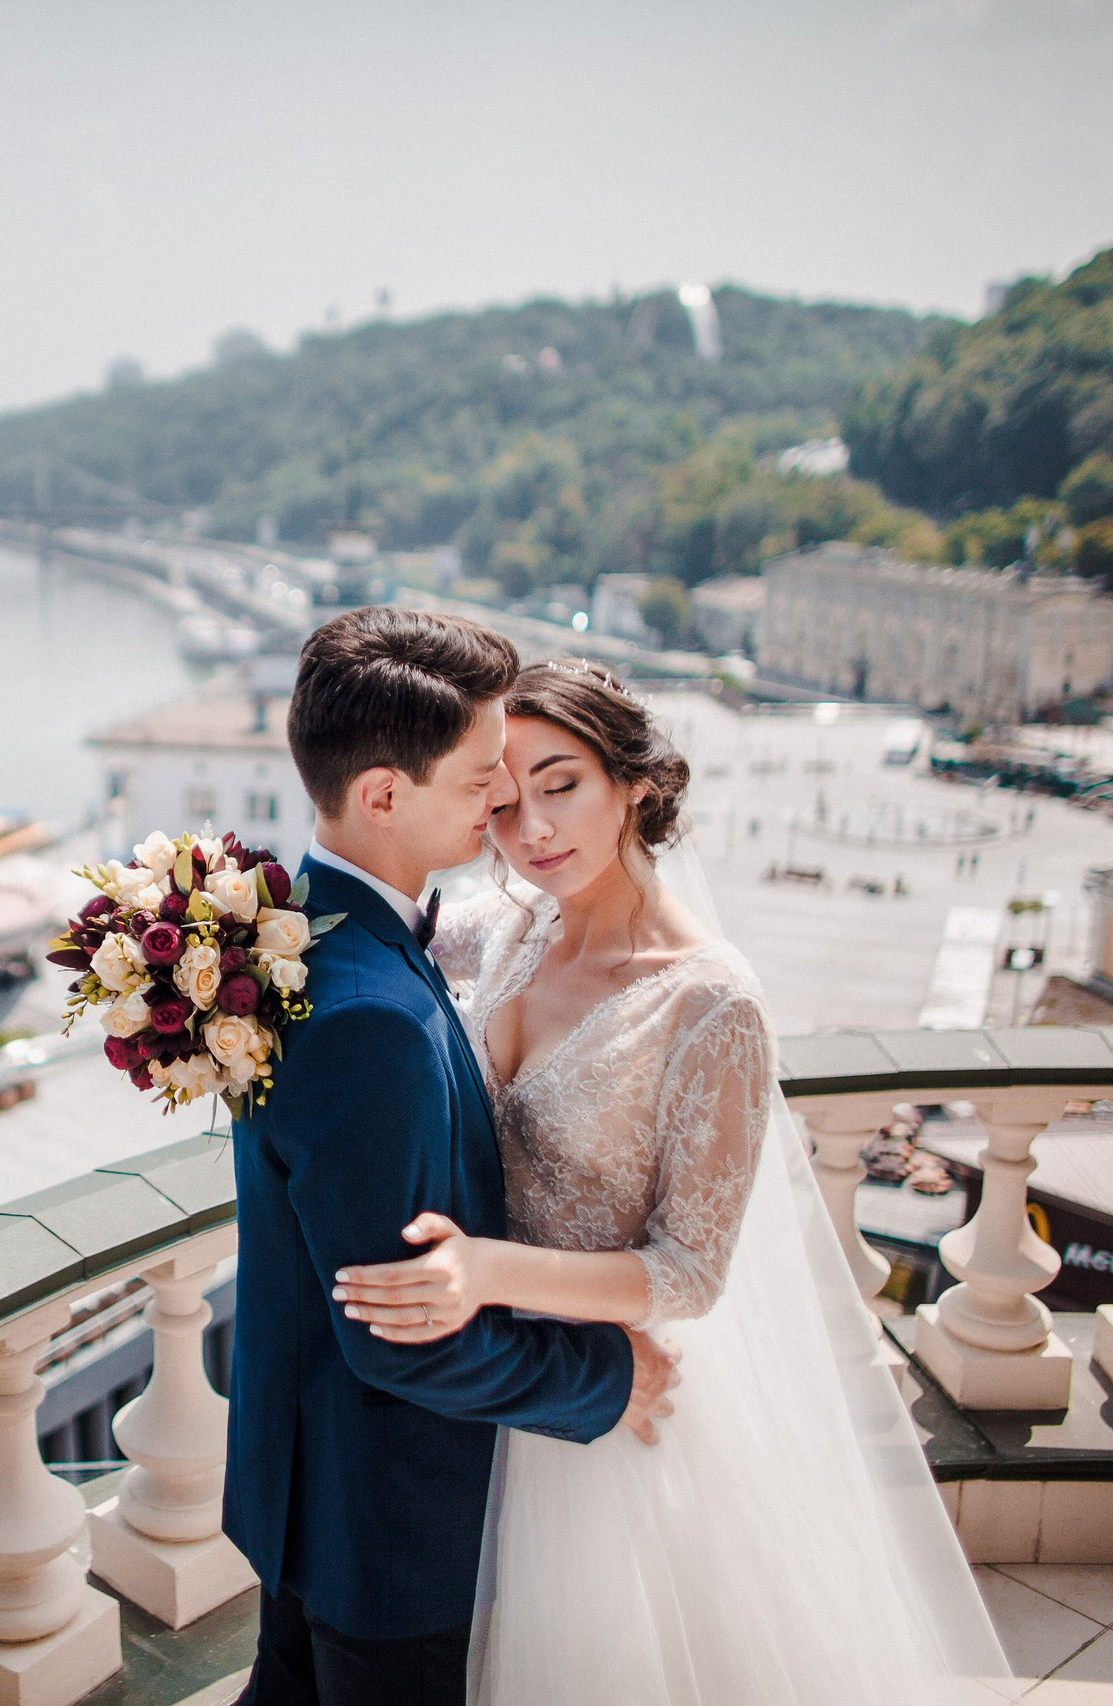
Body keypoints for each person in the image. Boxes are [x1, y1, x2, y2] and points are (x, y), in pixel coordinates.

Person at [332, 659, 1007, 1703]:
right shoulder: (504, 923)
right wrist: (195, 935)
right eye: (501, 801)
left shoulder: (710, 1003)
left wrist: (482, 1268)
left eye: (561, 785)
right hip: (492, 1380)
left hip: (607, 1394)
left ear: (633, 784)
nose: (530, 831)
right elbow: (364, 932)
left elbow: (691, 1271)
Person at [227, 610, 681, 1706]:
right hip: (392, 1524)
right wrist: (608, 1380)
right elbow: (401, 1335)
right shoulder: (365, 1016)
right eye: (481, 776)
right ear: (382, 793)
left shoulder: (306, 928)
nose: (501, 801)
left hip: (311, 1481)